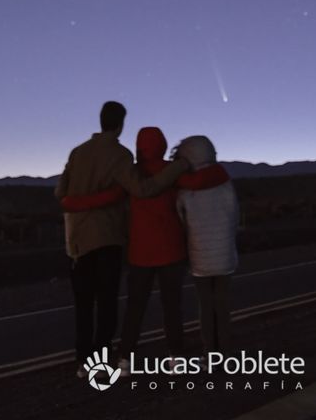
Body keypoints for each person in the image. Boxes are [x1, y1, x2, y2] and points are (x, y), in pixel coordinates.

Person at [61, 127, 229, 366]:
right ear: (162, 144)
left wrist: (73, 203)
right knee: (172, 307)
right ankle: (175, 357)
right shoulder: (173, 174)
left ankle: (125, 358)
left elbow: (113, 199)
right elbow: (197, 186)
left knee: (135, 308)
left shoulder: (130, 176)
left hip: (139, 253)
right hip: (171, 250)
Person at [55, 101, 189, 376]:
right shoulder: (119, 155)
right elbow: (143, 188)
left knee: (83, 305)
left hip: (77, 240)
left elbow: (60, 193)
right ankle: (106, 363)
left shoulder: (77, 152)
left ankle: (85, 362)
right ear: (120, 124)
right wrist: (178, 168)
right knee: (106, 303)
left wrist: (83, 202)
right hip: (106, 237)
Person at [174, 135, 239, 355]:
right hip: (225, 256)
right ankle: (227, 350)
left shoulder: (184, 190)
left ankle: (211, 352)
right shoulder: (225, 183)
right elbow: (234, 217)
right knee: (222, 306)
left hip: (199, 258)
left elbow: (182, 224)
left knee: (205, 306)